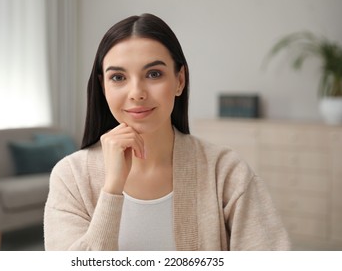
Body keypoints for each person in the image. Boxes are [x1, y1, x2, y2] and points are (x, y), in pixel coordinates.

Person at [44, 13, 291, 251]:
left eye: (154, 74)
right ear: (103, 86)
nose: (136, 93)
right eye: (118, 77)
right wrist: (112, 188)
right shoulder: (70, 177)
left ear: (179, 80)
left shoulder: (226, 172)